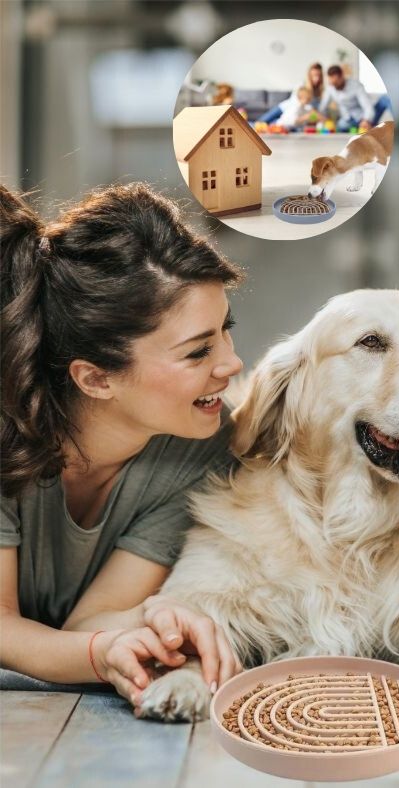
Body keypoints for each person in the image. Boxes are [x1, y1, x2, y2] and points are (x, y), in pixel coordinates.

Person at [0, 183, 245, 708]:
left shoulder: (199, 451)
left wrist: (153, 618)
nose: (231, 363)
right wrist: (100, 653)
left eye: (227, 331)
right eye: (198, 351)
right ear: (95, 379)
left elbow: (91, 623)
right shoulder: (8, 432)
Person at [319, 65, 392, 132]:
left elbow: (367, 106)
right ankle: (370, 128)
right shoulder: (330, 88)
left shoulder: (356, 86)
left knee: (385, 98)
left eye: (336, 82)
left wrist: (366, 120)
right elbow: (323, 106)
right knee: (341, 127)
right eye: (332, 83)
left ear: (342, 76)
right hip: (348, 119)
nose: (334, 86)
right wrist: (323, 117)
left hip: (365, 116)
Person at [259, 62, 325, 126]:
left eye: (319, 75)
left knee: (273, 125)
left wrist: (316, 115)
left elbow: (315, 109)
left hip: (293, 116)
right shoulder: (301, 85)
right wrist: (312, 111)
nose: (317, 78)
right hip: (284, 108)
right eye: (314, 75)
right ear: (309, 75)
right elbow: (298, 101)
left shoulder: (320, 91)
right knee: (261, 121)